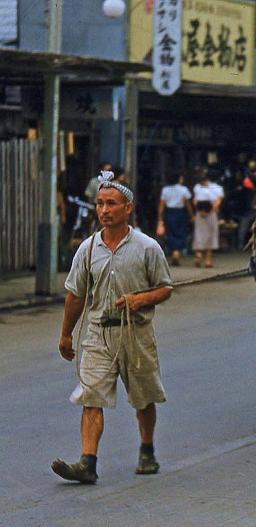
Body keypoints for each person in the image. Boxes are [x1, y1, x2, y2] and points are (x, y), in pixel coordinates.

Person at [53, 170, 173, 484]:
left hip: (136, 333)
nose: (104, 210)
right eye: (100, 204)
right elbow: (75, 295)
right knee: (91, 397)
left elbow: (165, 288)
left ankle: (147, 450)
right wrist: (66, 334)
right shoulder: (88, 248)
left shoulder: (147, 247)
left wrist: (140, 299)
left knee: (143, 398)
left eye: (112, 204)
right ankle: (87, 463)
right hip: (98, 333)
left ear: (127, 208)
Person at [157, 173, 193, 265]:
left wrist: (160, 218)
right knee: (180, 232)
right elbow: (187, 204)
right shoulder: (184, 189)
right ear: (179, 179)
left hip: (169, 212)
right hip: (180, 213)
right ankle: (177, 252)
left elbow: (162, 204)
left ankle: (174, 251)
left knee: (170, 232)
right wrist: (191, 215)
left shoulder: (165, 190)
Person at [192, 168, 224, 268]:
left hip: (205, 212)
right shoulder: (215, 188)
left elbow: (195, 201)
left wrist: (203, 211)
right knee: (207, 234)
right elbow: (217, 201)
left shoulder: (201, 187)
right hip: (207, 212)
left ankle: (200, 255)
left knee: (202, 234)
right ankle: (206, 259)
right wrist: (207, 211)